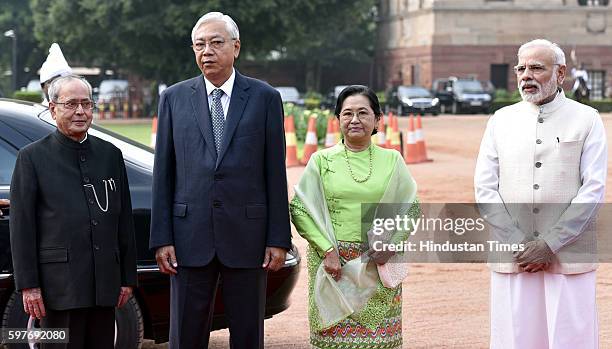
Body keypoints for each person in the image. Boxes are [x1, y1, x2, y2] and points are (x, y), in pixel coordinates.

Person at [149, 12, 291, 349]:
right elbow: (163, 173)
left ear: (236, 47)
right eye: (200, 45)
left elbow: (275, 171)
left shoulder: (264, 98)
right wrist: (162, 238)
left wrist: (278, 238)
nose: (207, 51)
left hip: (248, 238)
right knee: (185, 333)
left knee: (246, 333)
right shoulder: (173, 98)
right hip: (188, 238)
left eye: (216, 43)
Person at [475, 39, 607, 349]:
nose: (526, 75)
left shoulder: (587, 119)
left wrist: (550, 244)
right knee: (514, 338)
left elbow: (593, 188)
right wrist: (519, 244)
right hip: (513, 256)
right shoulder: (500, 121)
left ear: (561, 73)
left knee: (570, 338)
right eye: (521, 68)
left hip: (569, 255)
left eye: (537, 67)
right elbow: (484, 189)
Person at [10, 75, 137, 349]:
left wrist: (127, 277)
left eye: (86, 104)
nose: (80, 111)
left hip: (104, 284)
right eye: (70, 104)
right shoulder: (32, 158)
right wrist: (29, 285)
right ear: (53, 108)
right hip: (59, 286)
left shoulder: (110, 155)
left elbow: (123, 220)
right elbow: (22, 228)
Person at [290, 85, 419, 349]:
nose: (355, 120)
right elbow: (300, 209)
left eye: (363, 112)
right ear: (337, 120)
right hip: (333, 267)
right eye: (347, 113)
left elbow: (411, 209)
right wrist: (327, 251)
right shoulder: (321, 161)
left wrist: (391, 245)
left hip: (376, 264)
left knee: (379, 342)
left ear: (377, 119)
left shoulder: (392, 160)